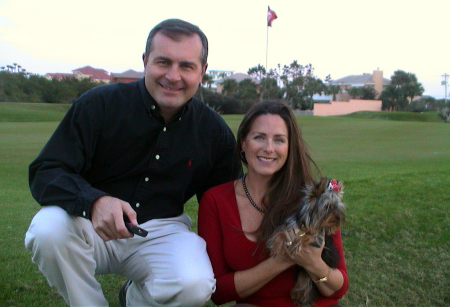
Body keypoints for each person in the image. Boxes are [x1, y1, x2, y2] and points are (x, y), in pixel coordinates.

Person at [24, 18, 241, 307]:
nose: (173, 76)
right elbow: (46, 170)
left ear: (202, 71)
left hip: (162, 231)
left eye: (186, 66)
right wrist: (94, 200)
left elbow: (224, 204)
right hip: (89, 222)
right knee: (47, 229)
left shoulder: (214, 132)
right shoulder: (98, 105)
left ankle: (133, 299)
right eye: (163, 62)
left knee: (195, 282)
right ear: (145, 61)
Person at [198, 100, 348, 307]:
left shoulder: (314, 200)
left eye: (279, 140)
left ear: (289, 147)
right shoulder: (215, 201)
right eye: (259, 137)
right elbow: (218, 292)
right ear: (243, 142)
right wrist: (284, 259)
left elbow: (338, 288)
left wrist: (314, 263)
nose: (269, 148)